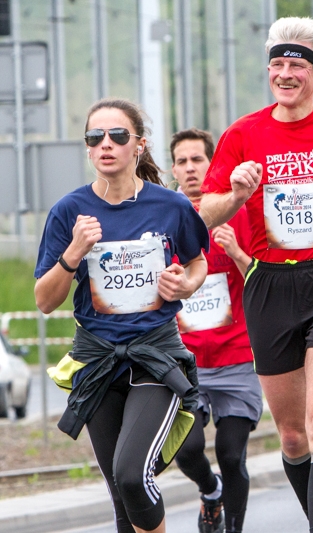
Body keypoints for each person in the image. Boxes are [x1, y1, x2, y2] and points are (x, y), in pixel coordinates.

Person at [198, 16, 313, 533]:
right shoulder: (243, 134)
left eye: (296, 65)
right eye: (277, 64)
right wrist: (236, 194)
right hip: (268, 283)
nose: (284, 73)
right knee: (293, 437)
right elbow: (205, 214)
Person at [35, 98, 209, 533]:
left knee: (132, 475)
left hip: (155, 355)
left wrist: (186, 285)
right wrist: (73, 252)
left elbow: (198, 261)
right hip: (98, 360)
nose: (106, 145)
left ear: (139, 146)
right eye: (96, 138)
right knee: (119, 493)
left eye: (118, 136)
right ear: (88, 150)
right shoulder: (68, 211)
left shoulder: (171, 206)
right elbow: (44, 299)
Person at [169, 128, 263, 533]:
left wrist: (237, 252)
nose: (190, 169)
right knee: (187, 450)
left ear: (212, 165)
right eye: (182, 161)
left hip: (236, 356)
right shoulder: (164, 216)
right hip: (184, 360)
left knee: (230, 453)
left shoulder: (239, 213)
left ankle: (233, 528)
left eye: (198, 160)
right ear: (173, 168)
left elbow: (264, 283)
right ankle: (210, 493)